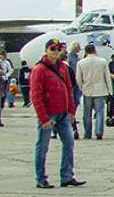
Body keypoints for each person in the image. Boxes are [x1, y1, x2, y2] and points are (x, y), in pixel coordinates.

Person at [29, 40, 83, 189]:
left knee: (69, 143)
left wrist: (71, 110)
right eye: (52, 49)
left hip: (63, 113)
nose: (55, 52)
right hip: (49, 114)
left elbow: (68, 89)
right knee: (42, 146)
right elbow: (36, 95)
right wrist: (43, 117)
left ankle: (67, 176)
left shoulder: (63, 68)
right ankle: (41, 178)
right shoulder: (39, 69)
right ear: (46, 50)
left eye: (58, 49)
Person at [75, 43, 111, 141]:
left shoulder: (81, 63)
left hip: (87, 90)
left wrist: (82, 87)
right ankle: (99, 132)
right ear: (95, 50)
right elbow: (107, 77)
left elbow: (78, 78)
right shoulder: (102, 61)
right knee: (99, 112)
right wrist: (110, 91)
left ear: (85, 51)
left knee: (87, 113)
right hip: (100, 89)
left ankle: (87, 133)